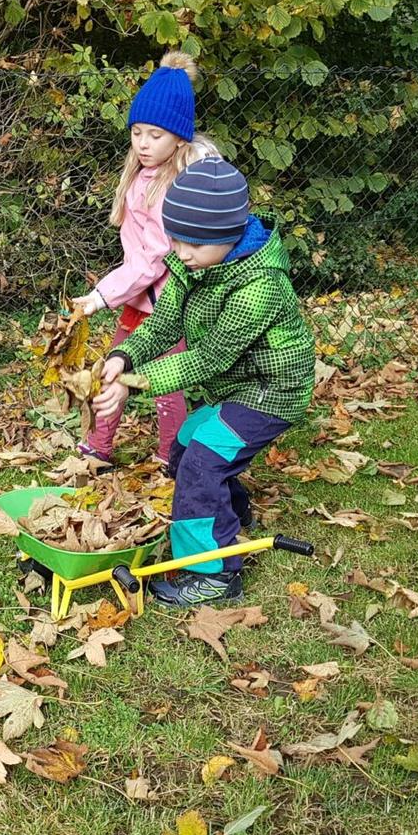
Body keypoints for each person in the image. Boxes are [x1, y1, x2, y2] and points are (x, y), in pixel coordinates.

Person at [90, 158, 315, 607]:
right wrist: (121, 356)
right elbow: (161, 325)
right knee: (185, 445)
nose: (180, 251)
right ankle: (227, 515)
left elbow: (210, 357)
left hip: (272, 391)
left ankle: (213, 573)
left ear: (228, 237)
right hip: (237, 386)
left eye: (192, 243)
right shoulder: (191, 265)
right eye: (174, 238)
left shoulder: (260, 286)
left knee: (202, 462)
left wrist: (133, 384)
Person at [70, 51, 221, 466]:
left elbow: (152, 261)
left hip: (168, 306)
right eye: (137, 132)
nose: (143, 143)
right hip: (142, 300)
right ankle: (98, 445)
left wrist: (99, 297)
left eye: (155, 134)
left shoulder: (172, 187)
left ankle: (172, 455)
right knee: (114, 369)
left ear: (179, 138)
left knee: (165, 384)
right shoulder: (141, 176)